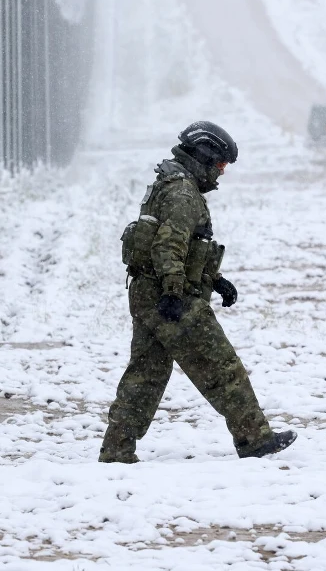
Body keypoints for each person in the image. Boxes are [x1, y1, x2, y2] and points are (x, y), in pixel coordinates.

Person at [99, 120, 297, 463]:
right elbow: (168, 246)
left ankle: (117, 450)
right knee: (221, 367)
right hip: (169, 295)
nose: (221, 173)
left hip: (148, 292)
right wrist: (175, 293)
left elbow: (181, 246)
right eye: (220, 165)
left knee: (145, 375)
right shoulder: (182, 193)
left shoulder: (171, 185)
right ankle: (254, 439)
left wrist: (214, 280)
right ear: (203, 157)